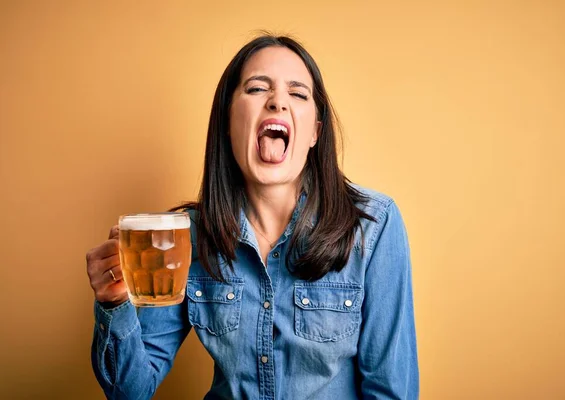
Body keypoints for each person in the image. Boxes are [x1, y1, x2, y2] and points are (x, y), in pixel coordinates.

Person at [86, 34, 419, 399]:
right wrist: (114, 303)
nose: (277, 101)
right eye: (258, 88)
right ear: (228, 123)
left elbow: (391, 391)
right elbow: (129, 391)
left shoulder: (372, 226)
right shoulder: (190, 237)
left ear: (314, 133)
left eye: (298, 93)